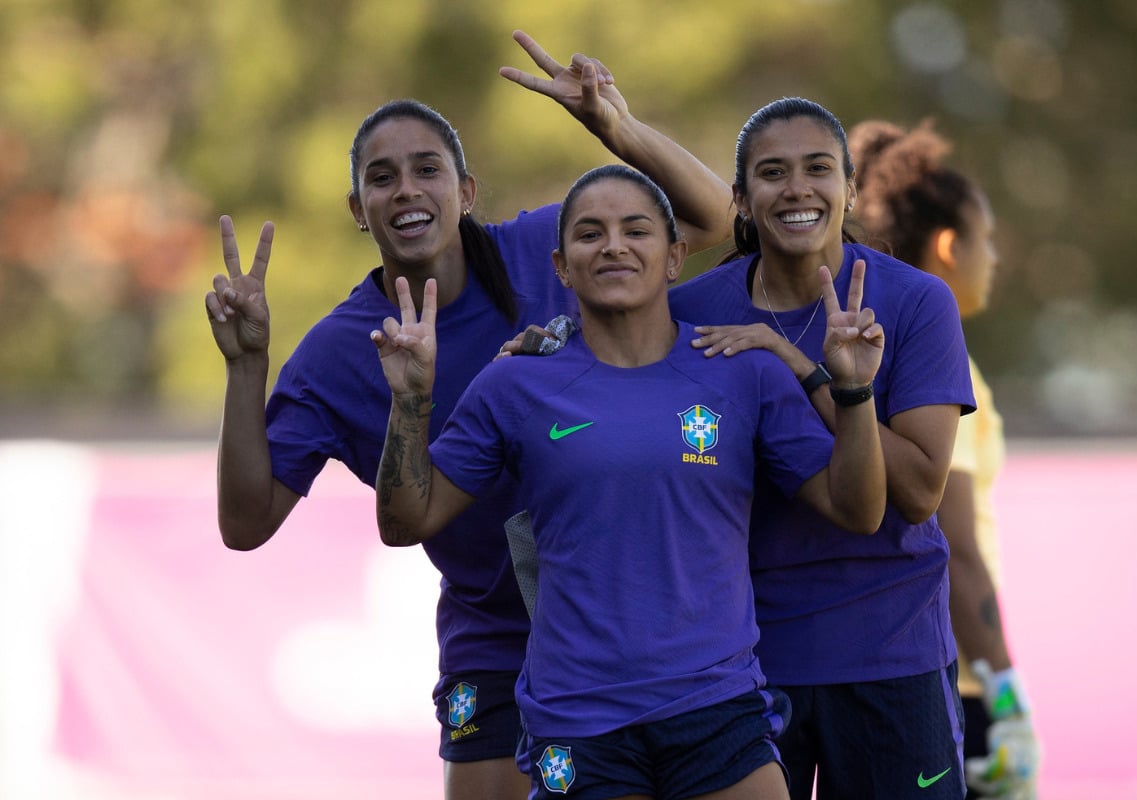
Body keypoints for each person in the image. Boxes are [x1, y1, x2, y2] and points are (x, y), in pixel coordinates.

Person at [203, 31, 734, 800]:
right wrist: (246, 366)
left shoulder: (547, 255)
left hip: (629, 628)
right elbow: (245, 523)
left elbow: (712, 221)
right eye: (382, 179)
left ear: (467, 191)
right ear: (359, 209)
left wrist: (616, 128)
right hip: (496, 644)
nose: (407, 191)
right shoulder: (336, 354)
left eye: (428, 170)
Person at [372, 164, 888, 800]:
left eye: (635, 230)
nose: (614, 245)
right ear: (562, 267)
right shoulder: (514, 383)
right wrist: (410, 400)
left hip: (717, 710)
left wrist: (855, 390)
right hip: (577, 723)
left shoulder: (740, 371)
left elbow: (858, 510)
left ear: (673, 259)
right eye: (591, 234)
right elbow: (403, 524)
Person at [667, 97, 976, 799]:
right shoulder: (690, 313)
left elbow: (921, 492)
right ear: (741, 200)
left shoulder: (917, 302)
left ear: (851, 186)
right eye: (772, 173)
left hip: (890, 655)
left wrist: (808, 371)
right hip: (740, 664)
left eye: (817, 169)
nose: (797, 189)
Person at [848, 118, 1040, 799]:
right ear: (951, 246)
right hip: (952, 678)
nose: (993, 259)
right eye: (986, 241)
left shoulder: (886, 345)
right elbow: (955, 541)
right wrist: (1007, 696)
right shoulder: (946, 363)